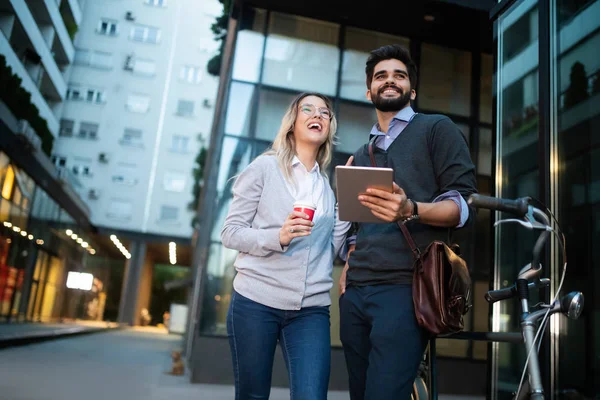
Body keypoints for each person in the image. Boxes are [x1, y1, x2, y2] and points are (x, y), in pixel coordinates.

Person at [338, 44, 477, 400]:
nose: (390, 81)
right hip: (355, 293)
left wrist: (411, 208)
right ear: (368, 91)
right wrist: (350, 258)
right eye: (380, 76)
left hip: (405, 289)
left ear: (411, 90)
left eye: (399, 75)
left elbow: (461, 207)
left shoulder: (436, 129)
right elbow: (358, 224)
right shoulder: (360, 154)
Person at [221, 92, 351, 400]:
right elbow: (230, 232)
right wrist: (277, 237)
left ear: (329, 128)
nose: (317, 115)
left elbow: (328, 251)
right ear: (292, 122)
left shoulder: (326, 188)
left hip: (311, 311)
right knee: (253, 396)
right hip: (256, 301)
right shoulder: (264, 168)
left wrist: (346, 206)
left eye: (324, 112)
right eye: (308, 109)